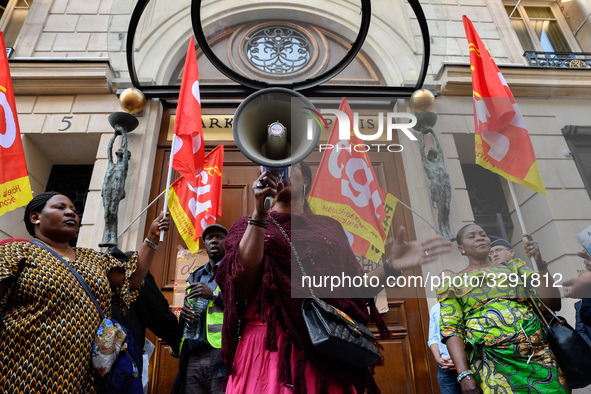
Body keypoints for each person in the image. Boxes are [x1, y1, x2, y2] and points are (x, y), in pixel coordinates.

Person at [216, 162, 451, 393]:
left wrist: (391, 267)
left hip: (325, 345)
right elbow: (240, 285)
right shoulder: (246, 225)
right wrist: (259, 213)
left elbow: (355, 290)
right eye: (270, 167)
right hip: (270, 347)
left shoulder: (330, 228)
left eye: (289, 165)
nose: (279, 171)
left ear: (305, 179)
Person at [0, 191, 170, 393]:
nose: (71, 213)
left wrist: (151, 238)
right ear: (35, 217)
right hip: (24, 373)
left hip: (82, 379)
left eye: (73, 209)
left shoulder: (92, 259)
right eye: (60, 207)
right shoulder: (16, 252)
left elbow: (131, 280)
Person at [438, 224, 567, 394]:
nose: (480, 238)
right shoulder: (452, 283)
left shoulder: (515, 269)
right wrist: (464, 374)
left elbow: (552, 303)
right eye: (472, 236)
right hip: (491, 362)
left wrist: (539, 262)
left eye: (483, 234)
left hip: (536, 354)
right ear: (461, 248)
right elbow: (451, 329)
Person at [172, 223, 228, 394]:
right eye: (210, 238)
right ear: (204, 243)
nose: (214, 240)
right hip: (193, 353)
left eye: (219, 237)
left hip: (221, 354)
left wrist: (213, 295)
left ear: (228, 241)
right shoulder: (195, 275)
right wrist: (184, 315)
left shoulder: (233, 271)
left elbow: (242, 306)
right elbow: (188, 309)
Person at [428, 270, 461, 394]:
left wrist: (460, 360)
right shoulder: (435, 309)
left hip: (468, 365)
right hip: (445, 368)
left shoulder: (467, 304)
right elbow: (433, 338)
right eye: (444, 281)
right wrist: (437, 358)